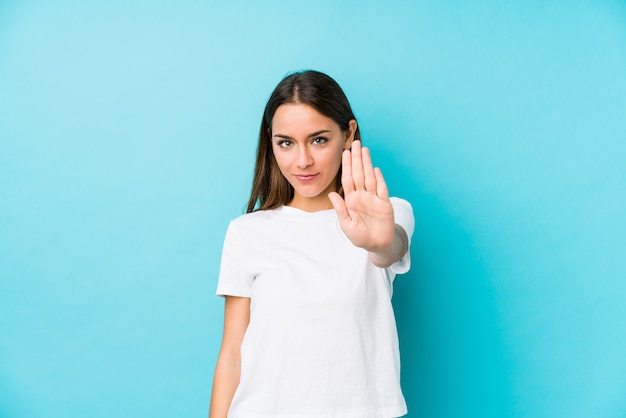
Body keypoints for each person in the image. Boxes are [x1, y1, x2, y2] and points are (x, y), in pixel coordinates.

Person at [209, 70, 414, 418]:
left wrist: (380, 242)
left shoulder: (389, 214)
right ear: (270, 142)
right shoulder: (246, 232)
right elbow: (232, 355)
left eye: (318, 139)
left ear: (348, 134)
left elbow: (389, 248)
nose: (302, 160)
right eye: (286, 142)